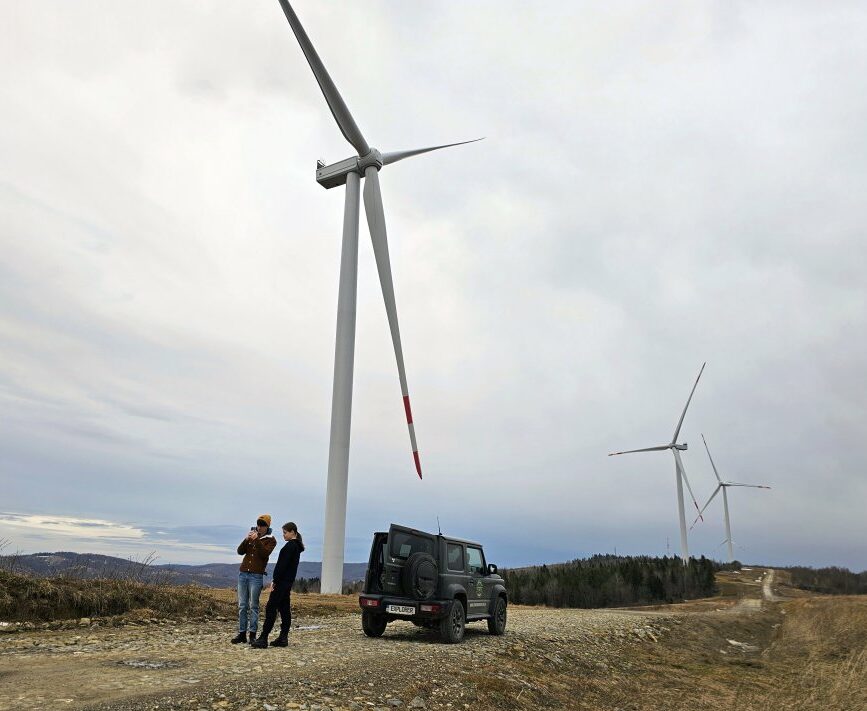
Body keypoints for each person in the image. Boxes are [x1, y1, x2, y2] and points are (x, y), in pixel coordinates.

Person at [252, 521, 304, 648]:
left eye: (285, 533)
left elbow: (282, 566)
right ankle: (283, 638)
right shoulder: (296, 547)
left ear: (293, 532)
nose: (283, 535)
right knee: (284, 609)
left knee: (271, 607)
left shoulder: (290, 546)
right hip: (287, 582)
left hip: (281, 582)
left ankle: (263, 638)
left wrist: (275, 580)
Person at [231, 514, 277, 645]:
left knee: (254, 606)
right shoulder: (251, 537)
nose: (259, 527)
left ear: (267, 526)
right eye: (258, 524)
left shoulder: (271, 540)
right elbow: (240, 551)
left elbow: (264, 554)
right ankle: (241, 634)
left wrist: (256, 540)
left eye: (262, 525)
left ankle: (252, 634)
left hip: (256, 576)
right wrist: (246, 539)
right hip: (243, 573)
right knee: (242, 605)